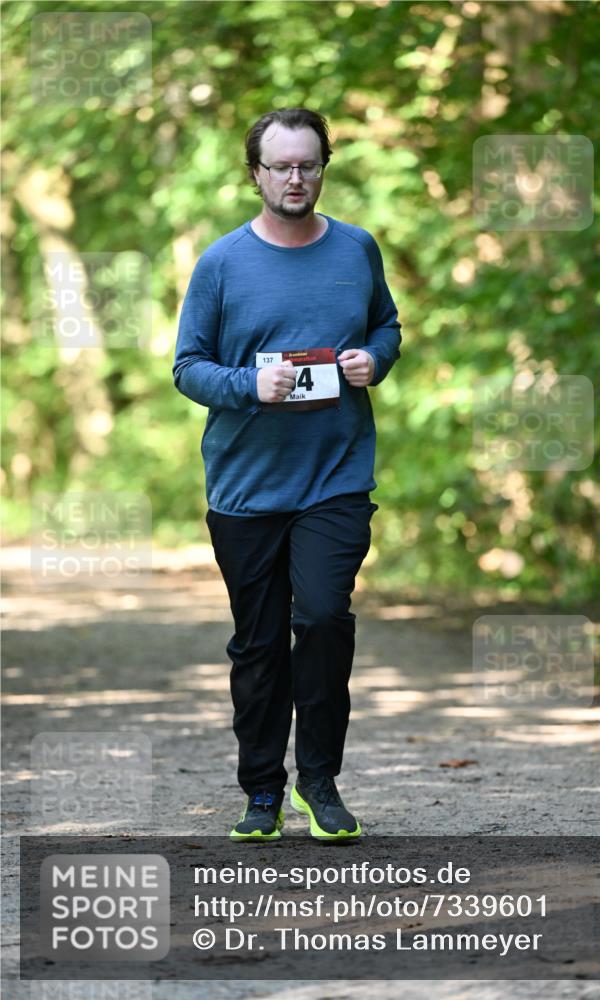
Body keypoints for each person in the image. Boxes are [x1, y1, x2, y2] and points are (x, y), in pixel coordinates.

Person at [173, 107, 401, 842]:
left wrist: (377, 359)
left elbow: (385, 326)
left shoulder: (357, 250)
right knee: (260, 642)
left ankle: (321, 783)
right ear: (256, 174)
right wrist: (247, 386)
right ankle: (261, 792)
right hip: (245, 484)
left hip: (335, 473)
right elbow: (187, 367)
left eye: (308, 165)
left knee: (325, 616)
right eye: (281, 166)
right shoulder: (221, 263)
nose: (295, 178)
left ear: (322, 168)